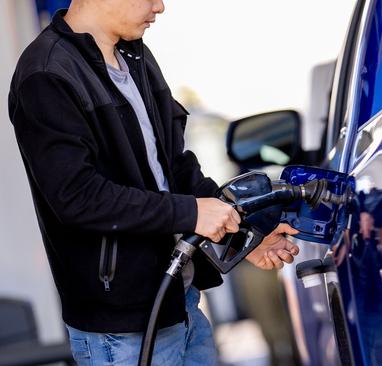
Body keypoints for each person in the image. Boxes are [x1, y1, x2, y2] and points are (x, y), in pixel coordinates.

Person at [7, 0, 299, 365]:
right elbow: (77, 197)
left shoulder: (134, 56)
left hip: (181, 302)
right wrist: (190, 213)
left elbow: (176, 171)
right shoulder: (47, 75)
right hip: (122, 329)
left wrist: (246, 240)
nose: (159, 6)